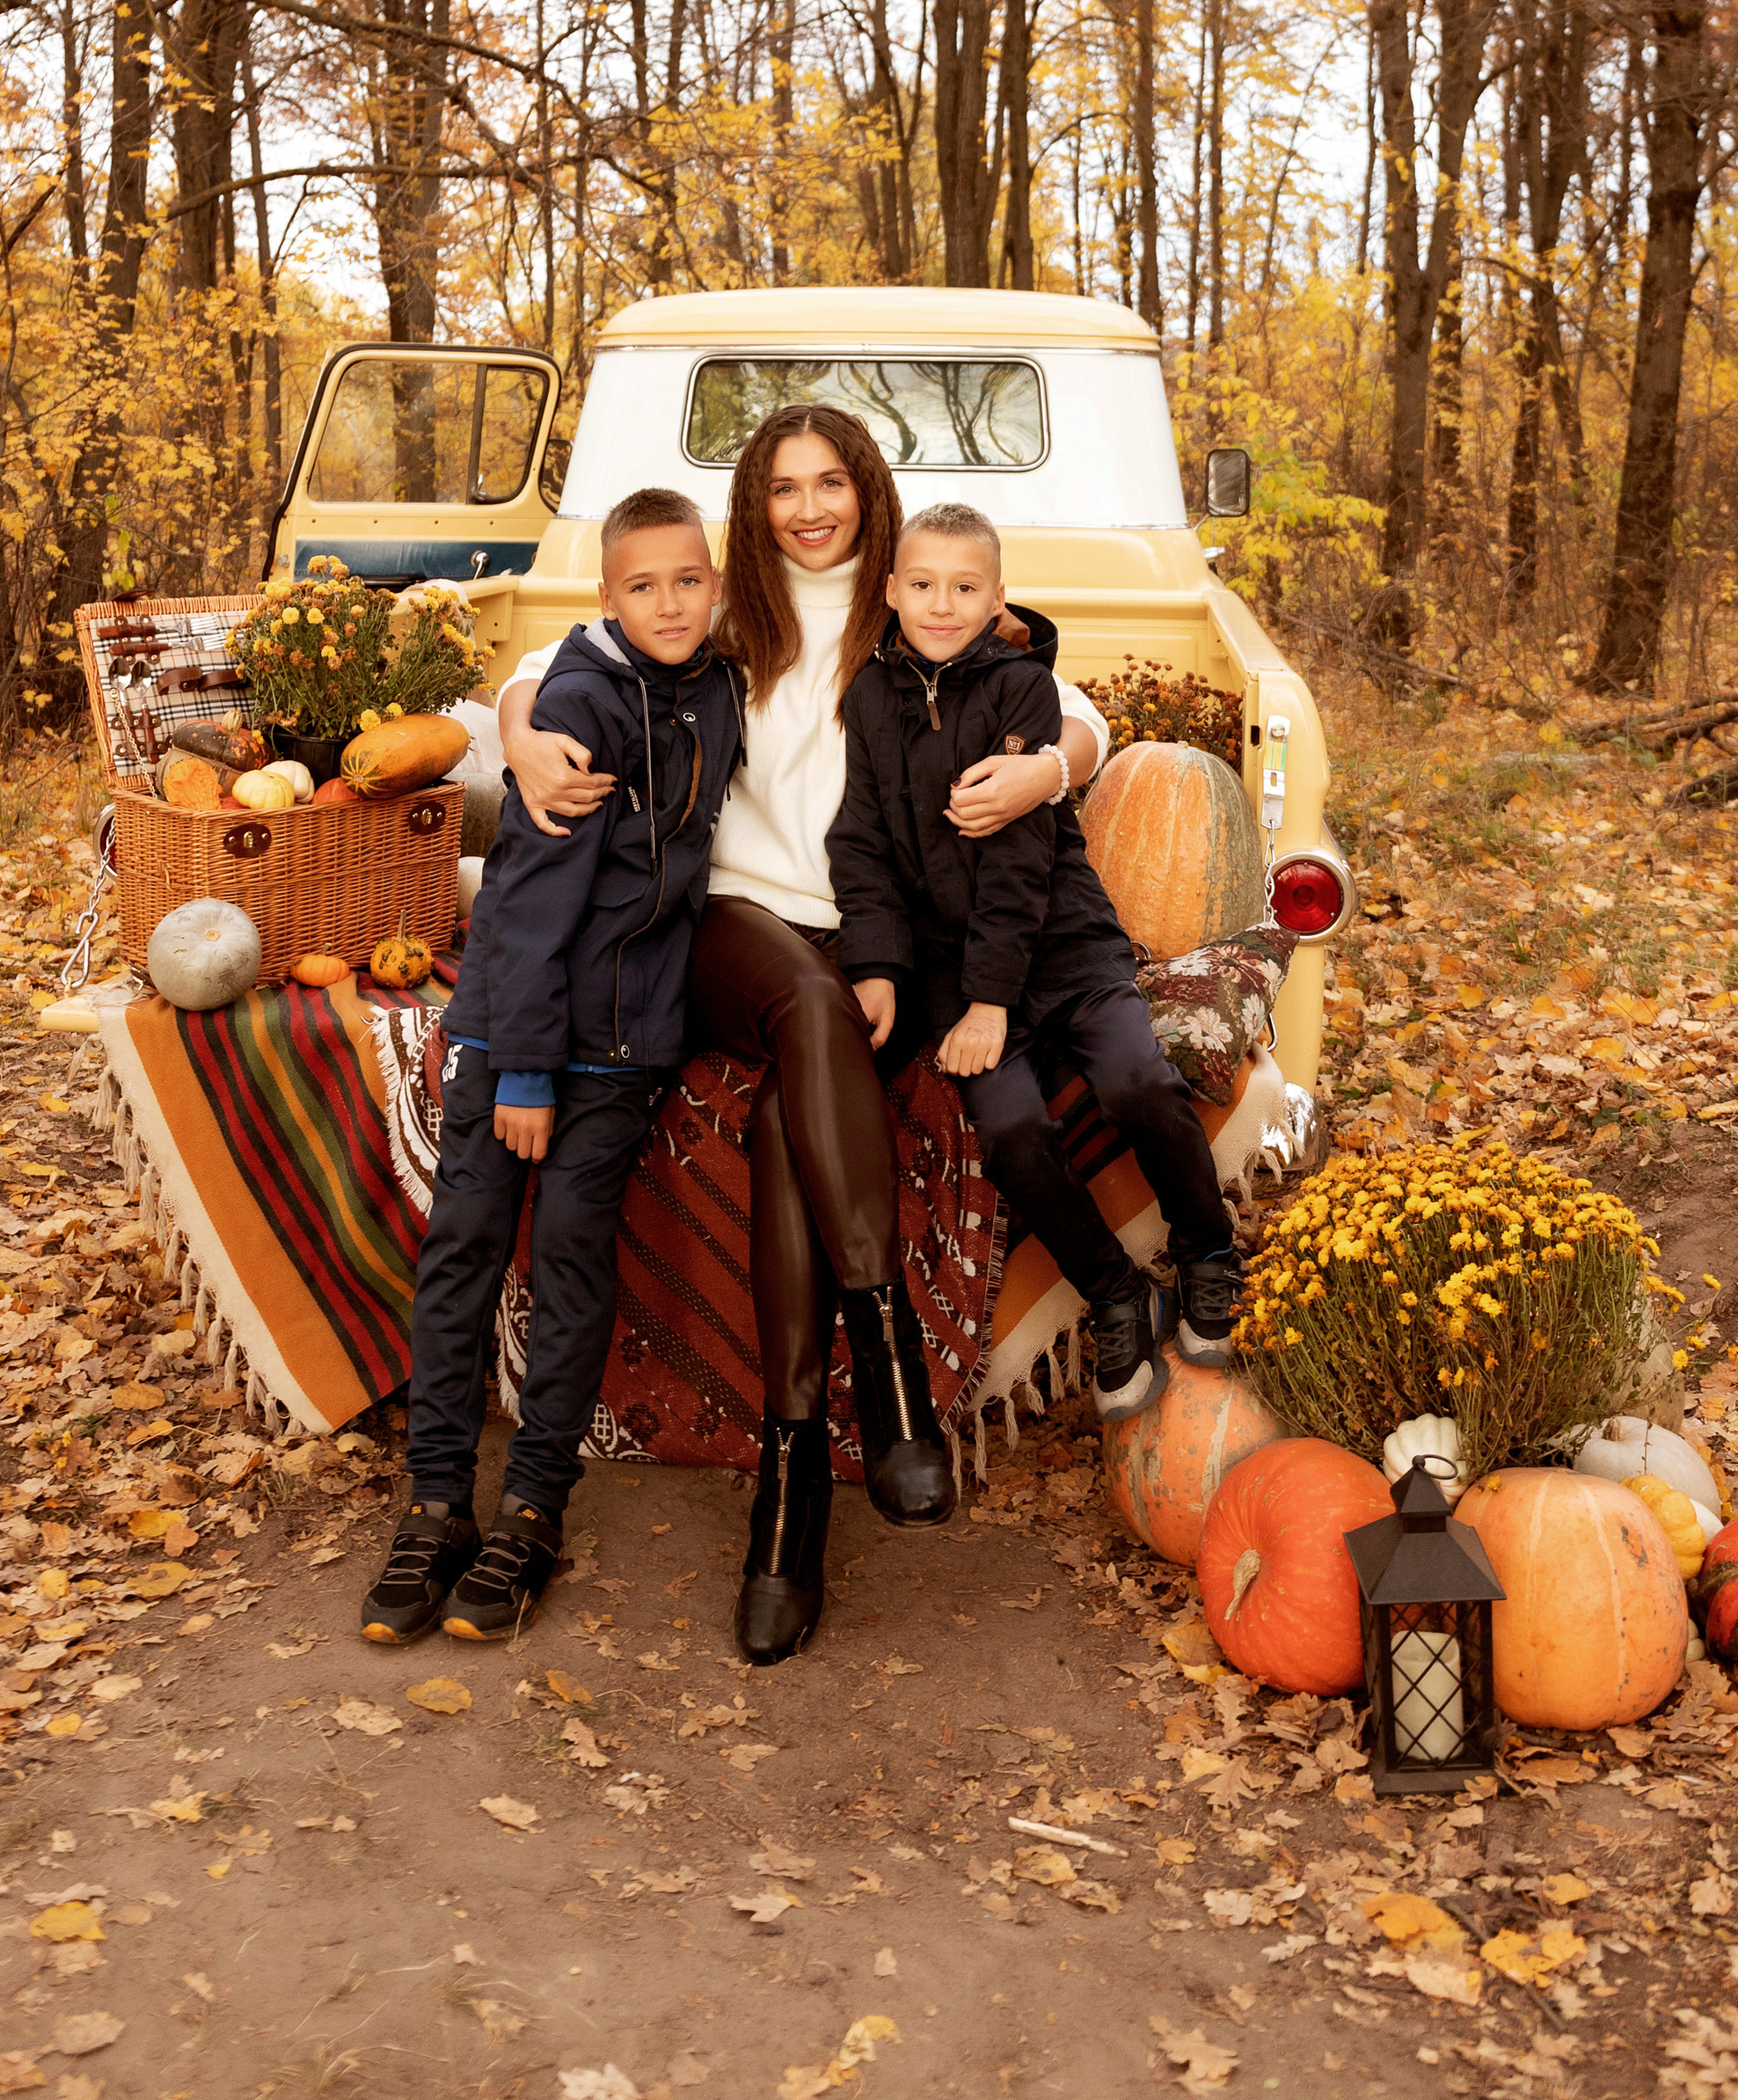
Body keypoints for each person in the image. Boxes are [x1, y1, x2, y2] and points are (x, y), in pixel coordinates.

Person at [497, 399, 1111, 1665]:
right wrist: (518, 730)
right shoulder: (725, 607)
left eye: (831, 482)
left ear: (869, 490)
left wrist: (1050, 771)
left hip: (876, 948)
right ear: (755, 505)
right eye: (784, 488)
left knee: (793, 1107)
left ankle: (791, 1489)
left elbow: (1079, 710)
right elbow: (545, 665)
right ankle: (885, 1362)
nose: (810, 507)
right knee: (803, 1007)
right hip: (731, 926)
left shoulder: (919, 608)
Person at [360, 489, 742, 1646]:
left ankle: (532, 1509)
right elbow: (525, 914)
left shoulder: (720, 682)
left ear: (716, 589)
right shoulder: (581, 705)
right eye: (643, 586)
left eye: (689, 581)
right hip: (518, 1040)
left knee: (574, 1259)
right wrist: (523, 1073)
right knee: (469, 1250)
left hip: (627, 1047)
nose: (669, 603)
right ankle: (434, 1505)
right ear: (605, 597)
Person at [829, 498, 1244, 1421]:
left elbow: (1017, 865)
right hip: (946, 967)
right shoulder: (865, 698)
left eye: (965, 588)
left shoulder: (1020, 689)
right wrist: (879, 966)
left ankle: (1207, 1247)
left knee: (1137, 1080)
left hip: (1061, 947)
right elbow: (859, 844)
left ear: (997, 599)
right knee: (1012, 1129)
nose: (942, 605)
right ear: (891, 589)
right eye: (924, 584)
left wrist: (990, 1007)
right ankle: (1112, 1291)